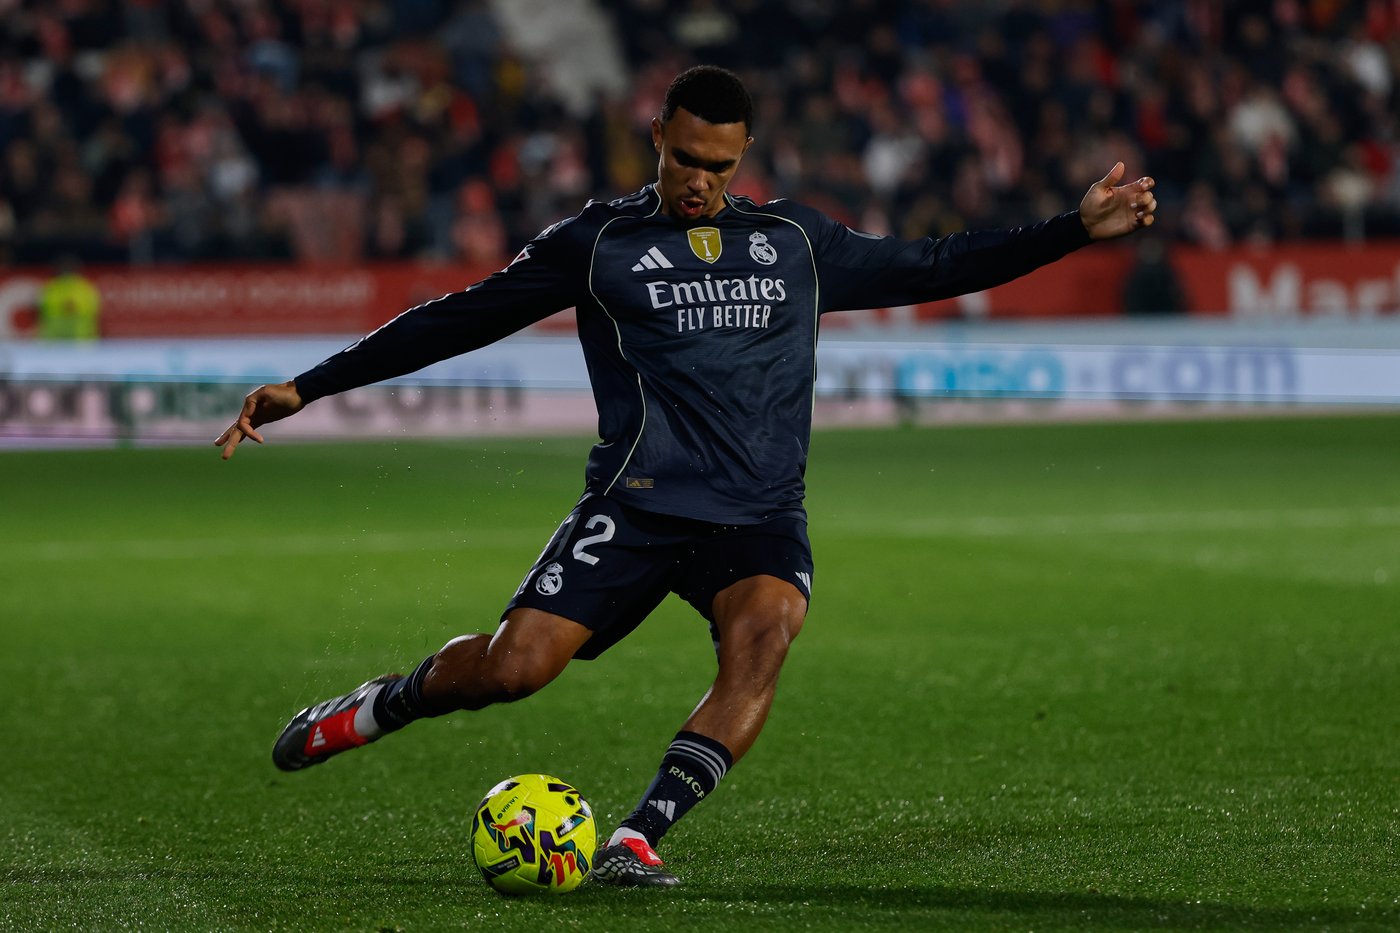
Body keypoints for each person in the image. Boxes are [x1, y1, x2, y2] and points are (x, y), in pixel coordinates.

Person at [216, 65, 1157, 887]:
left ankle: (638, 835)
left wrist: (1070, 228)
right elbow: (457, 318)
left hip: (755, 515)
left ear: (743, 157)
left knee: (766, 637)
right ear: (656, 135)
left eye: (722, 165)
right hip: (635, 507)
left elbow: (936, 263)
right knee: (513, 670)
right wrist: (311, 384)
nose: (702, 181)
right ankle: (378, 705)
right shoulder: (596, 244)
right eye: (687, 159)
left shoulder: (793, 243)